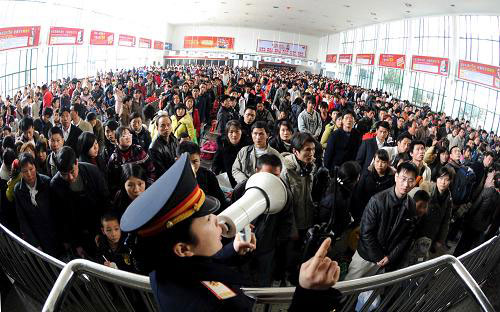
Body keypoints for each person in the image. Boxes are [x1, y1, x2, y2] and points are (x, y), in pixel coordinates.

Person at [120, 153, 342, 312]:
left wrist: (232, 250)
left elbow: (197, 268)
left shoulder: (164, 267)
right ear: (183, 248)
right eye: (208, 219)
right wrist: (309, 294)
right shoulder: (209, 306)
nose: (217, 221)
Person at [345, 161, 418, 280]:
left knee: (370, 293)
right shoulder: (377, 201)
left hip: (386, 260)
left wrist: (390, 257)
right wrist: (378, 257)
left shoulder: (411, 205)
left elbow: (407, 236)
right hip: (367, 256)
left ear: (415, 182)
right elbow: (366, 232)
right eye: (403, 178)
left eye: (411, 180)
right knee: (348, 287)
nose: (406, 184)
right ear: (396, 176)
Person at [231, 153, 294, 287]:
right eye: (267, 176)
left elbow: (286, 225)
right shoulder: (242, 189)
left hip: (267, 248)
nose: (272, 182)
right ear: (256, 171)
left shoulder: (285, 194)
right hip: (244, 241)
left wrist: (275, 244)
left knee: (262, 282)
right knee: (242, 279)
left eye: (276, 177)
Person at [51, 146, 110, 259]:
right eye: (64, 174)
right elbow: (61, 218)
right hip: (77, 233)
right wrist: (74, 243)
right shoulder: (55, 185)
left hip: (98, 227)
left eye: (72, 171)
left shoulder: (92, 172)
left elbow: (105, 201)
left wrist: (102, 230)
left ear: (77, 162)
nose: (70, 177)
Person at [14, 153, 60, 257]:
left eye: (31, 169)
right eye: (25, 171)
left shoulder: (47, 182)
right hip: (37, 239)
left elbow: (57, 212)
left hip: (54, 236)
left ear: (35, 167)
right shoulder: (18, 190)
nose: (29, 174)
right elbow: (23, 220)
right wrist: (35, 244)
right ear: (20, 173)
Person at [454, 173, 500, 256]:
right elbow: (493, 216)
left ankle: (455, 256)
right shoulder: (498, 198)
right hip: (482, 226)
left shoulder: (486, 191)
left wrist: (467, 217)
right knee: (469, 245)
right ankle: (462, 259)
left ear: (493, 181)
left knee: (463, 241)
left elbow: (475, 206)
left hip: (473, 222)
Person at [412, 167, 453, 255]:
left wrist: (440, 240)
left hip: (431, 234)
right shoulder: (428, 190)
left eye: (446, 180)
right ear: (436, 179)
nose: (443, 182)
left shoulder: (448, 199)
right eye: (441, 178)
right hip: (418, 231)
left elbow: (446, 221)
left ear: (450, 181)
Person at [177, 141, 227, 209]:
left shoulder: (208, 176)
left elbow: (221, 201)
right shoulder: (174, 182)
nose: (192, 167)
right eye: (187, 162)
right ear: (177, 160)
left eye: (195, 161)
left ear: (200, 159)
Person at [352, 149, 396, 223]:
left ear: (388, 163)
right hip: (363, 210)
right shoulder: (366, 174)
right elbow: (358, 194)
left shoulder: (391, 178)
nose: (380, 165)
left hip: (381, 213)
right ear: (374, 161)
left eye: (383, 162)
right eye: (377, 161)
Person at [107, 126, 155, 191]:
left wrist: (148, 186)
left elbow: (151, 169)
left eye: (129, 134)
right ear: (117, 141)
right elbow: (112, 180)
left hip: (143, 187)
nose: (128, 137)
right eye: (123, 136)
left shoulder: (139, 150)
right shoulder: (114, 158)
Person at [212, 120, 249, 188]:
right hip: (227, 181)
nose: (234, 135)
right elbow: (216, 163)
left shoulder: (248, 146)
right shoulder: (222, 145)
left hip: (244, 181)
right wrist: (213, 175)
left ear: (241, 132)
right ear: (227, 133)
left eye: (237, 131)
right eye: (231, 132)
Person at [149, 113, 178, 177]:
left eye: (168, 125)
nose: (166, 128)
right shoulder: (154, 148)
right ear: (157, 128)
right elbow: (160, 172)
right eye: (162, 125)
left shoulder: (173, 138)